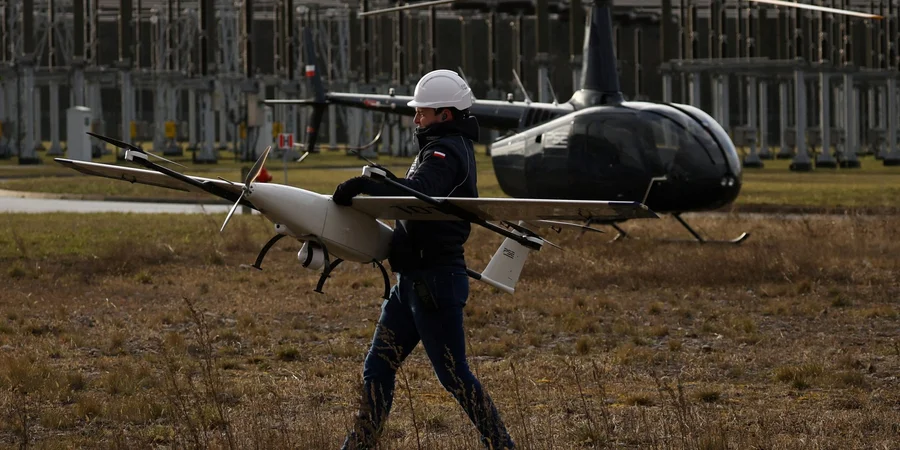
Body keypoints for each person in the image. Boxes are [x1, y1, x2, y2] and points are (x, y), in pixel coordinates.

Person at [332, 69, 516, 450]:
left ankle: (502, 444)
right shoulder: (441, 148)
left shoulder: (445, 151)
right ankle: (360, 444)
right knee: (378, 366)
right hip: (413, 282)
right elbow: (419, 188)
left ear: (445, 115)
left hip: (434, 282)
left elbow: (419, 192)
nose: (416, 119)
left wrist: (369, 183)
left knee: (454, 375)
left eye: (423, 112)